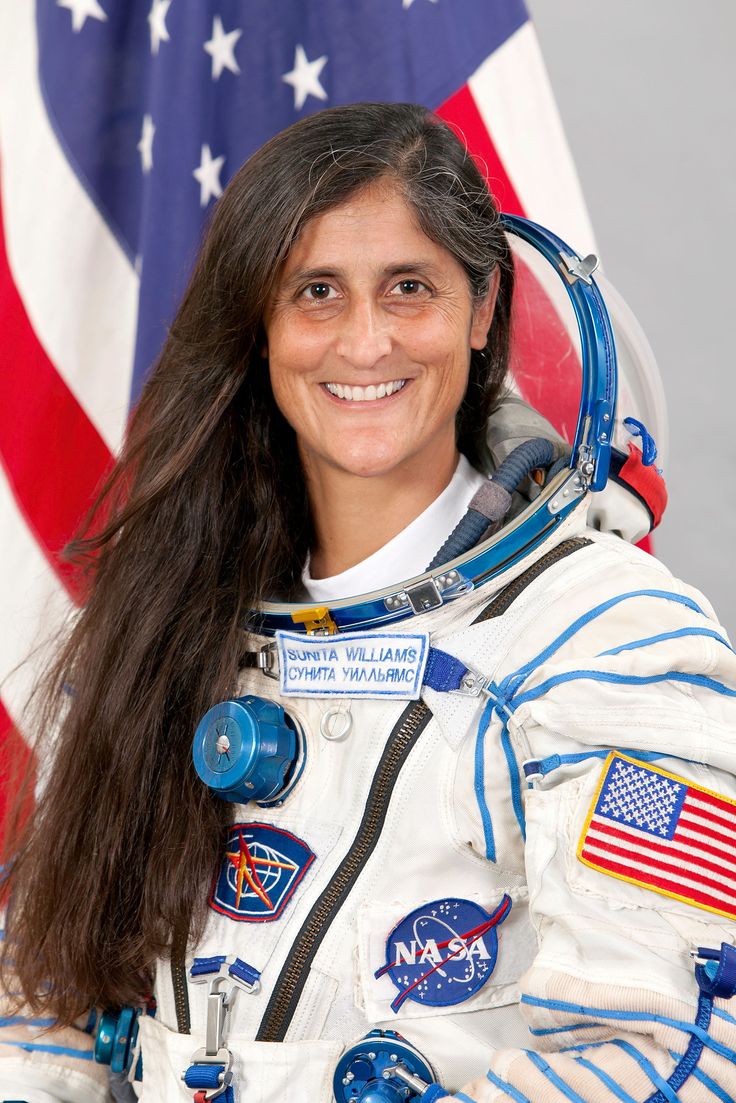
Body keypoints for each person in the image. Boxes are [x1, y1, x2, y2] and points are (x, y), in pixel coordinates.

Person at [1, 102, 734, 1103]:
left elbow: (664, 1051)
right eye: (316, 291)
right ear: (260, 324)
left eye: (408, 289)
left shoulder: (606, 639)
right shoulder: (158, 625)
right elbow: (43, 1006)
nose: (363, 341)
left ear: (481, 311)